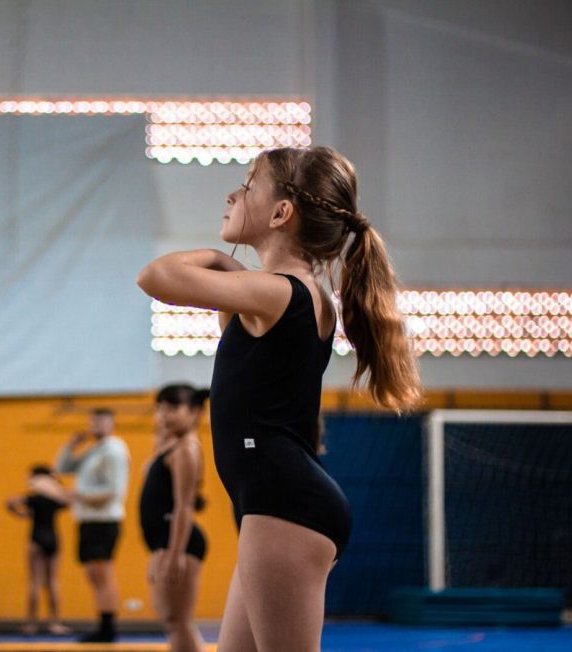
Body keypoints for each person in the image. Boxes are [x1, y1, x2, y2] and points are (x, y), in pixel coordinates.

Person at [137, 146, 422, 651]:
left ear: (281, 213)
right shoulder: (287, 295)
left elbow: (156, 276)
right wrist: (231, 270)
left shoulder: (282, 292)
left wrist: (217, 259)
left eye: (248, 185)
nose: (232, 195)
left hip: (284, 505)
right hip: (276, 504)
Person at [140, 384, 210, 652]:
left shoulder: (186, 450)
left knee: (178, 620)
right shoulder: (170, 446)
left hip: (179, 542)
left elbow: (184, 505)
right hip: (165, 540)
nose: (164, 415)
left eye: (172, 408)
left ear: (194, 412)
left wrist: (174, 554)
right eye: (160, 408)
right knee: (171, 620)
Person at [55, 408, 131, 643]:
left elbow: (113, 491)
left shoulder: (114, 450)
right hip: (88, 520)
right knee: (93, 575)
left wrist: (77, 495)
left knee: (102, 574)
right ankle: (103, 623)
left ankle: (108, 628)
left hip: (103, 520)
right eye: (93, 421)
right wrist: (72, 444)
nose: (96, 425)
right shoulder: (93, 449)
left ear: (112, 424)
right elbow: (62, 467)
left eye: (101, 421)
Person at [6, 465, 72, 635]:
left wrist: (21, 514)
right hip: (53, 537)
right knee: (53, 582)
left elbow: (10, 503)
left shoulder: (33, 497)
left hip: (36, 538)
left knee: (35, 582)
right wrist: (57, 483)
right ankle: (55, 623)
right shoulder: (54, 498)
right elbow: (69, 502)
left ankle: (31, 624)